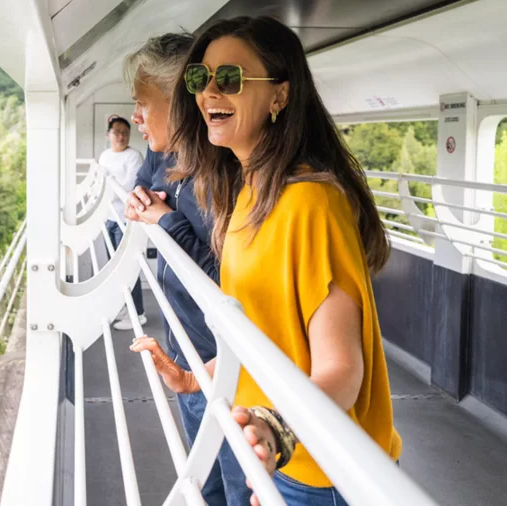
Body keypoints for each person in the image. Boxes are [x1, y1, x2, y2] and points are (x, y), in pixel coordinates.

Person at [131, 15, 401, 506]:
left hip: (322, 470)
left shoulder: (310, 203)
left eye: (230, 78)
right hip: (284, 457)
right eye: (199, 78)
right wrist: (194, 377)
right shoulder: (249, 191)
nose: (209, 92)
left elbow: (342, 370)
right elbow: (262, 334)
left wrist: (276, 430)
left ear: (279, 95)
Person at [122, 33, 248, 506]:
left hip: (226, 366)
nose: (135, 117)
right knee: (205, 485)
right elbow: (148, 189)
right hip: (189, 352)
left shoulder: (222, 177)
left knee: (237, 488)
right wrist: (145, 203)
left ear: (179, 104)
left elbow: (230, 281)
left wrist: (167, 221)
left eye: (142, 105)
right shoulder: (170, 157)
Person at [98, 115, 146, 330]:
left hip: (126, 220)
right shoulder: (105, 156)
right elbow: (100, 182)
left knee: (127, 267)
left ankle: (138, 313)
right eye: (116, 132)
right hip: (109, 217)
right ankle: (125, 307)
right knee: (114, 267)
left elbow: (129, 186)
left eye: (125, 132)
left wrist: (107, 192)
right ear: (108, 135)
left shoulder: (133, 156)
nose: (121, 136)